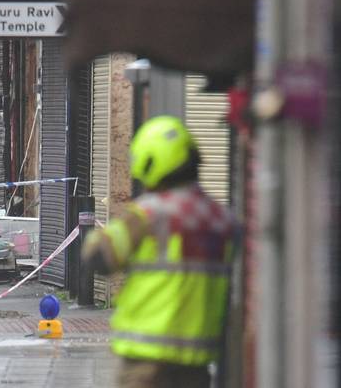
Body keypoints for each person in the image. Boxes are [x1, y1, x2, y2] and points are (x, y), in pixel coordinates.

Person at [82, 116, 236, 388]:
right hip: (196, 365)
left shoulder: (150, 214)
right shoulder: (221, 220)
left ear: (150, 163)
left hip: (146, 364)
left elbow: (100, 256)